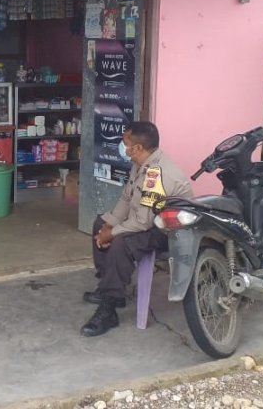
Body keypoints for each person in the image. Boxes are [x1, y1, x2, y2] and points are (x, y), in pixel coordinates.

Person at [81, 121, 193, 337]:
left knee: (122, 243)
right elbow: (126, 198)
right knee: (99, 223)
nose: (122, 147)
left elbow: (143, 222)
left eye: (125, 143)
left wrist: (112, 233)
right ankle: (110, 287)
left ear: (138, 148)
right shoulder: (140, 163)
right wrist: (109, 224)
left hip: (168, 232)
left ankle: (109, 309)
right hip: (149, 222)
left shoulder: (156, 174)